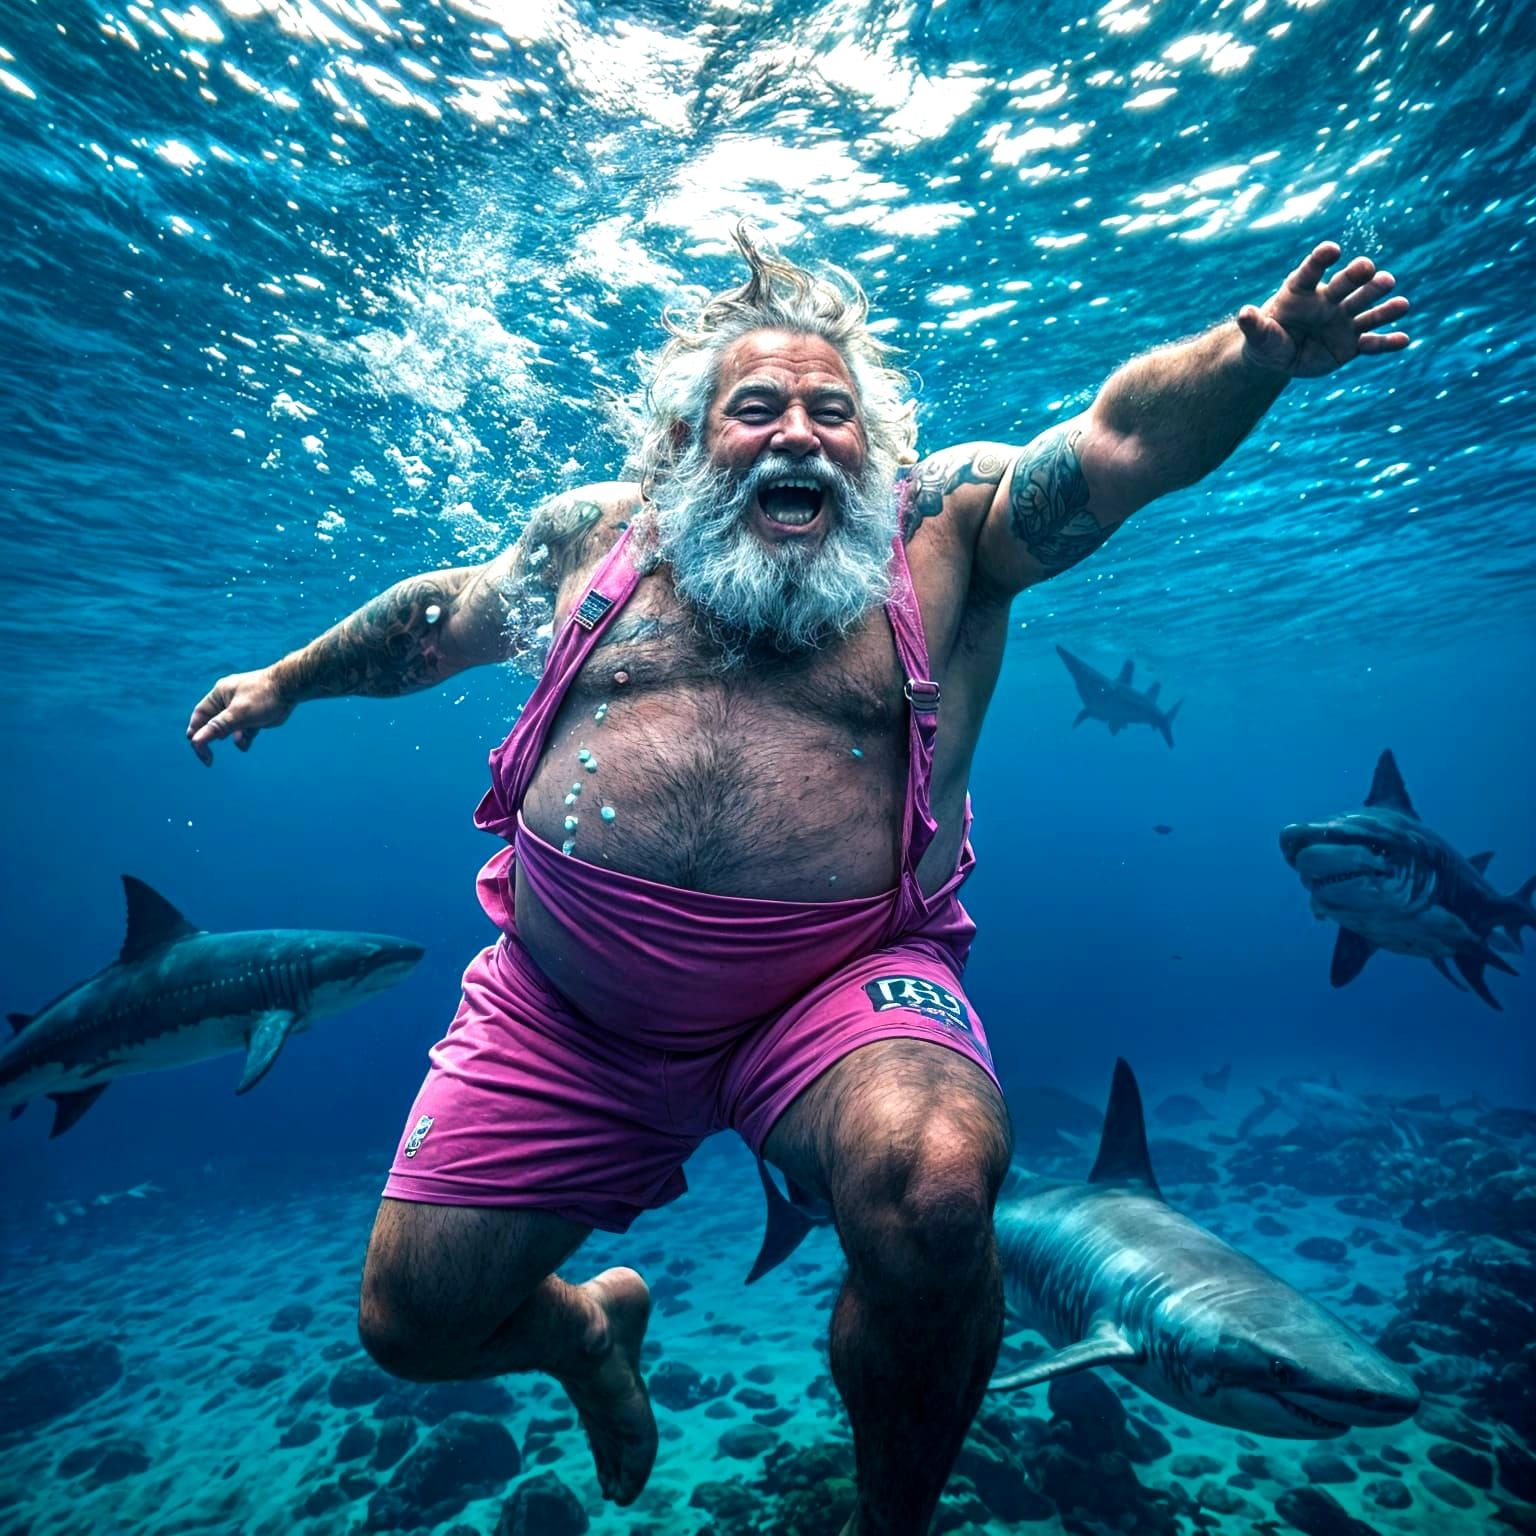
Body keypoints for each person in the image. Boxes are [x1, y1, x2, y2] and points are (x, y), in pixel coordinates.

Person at [186, 229, 1409, 1536]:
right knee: (412, 1326)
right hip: (570, 1012)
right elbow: (443, 615)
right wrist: (289, 680)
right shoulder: (594, 541)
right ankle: (589, 1334)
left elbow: (1115, 446)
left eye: (834, 411)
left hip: (841, 992)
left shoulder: (947, 528)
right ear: (685, 442)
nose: (799, 436)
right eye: (755, 407)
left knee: (939, 1186)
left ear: (873, 443)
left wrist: (1256, 356)